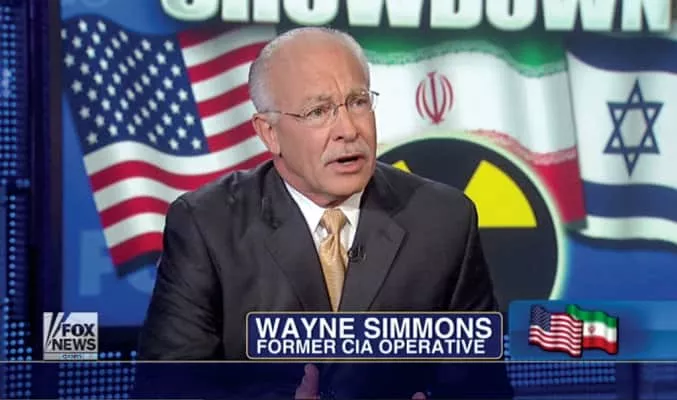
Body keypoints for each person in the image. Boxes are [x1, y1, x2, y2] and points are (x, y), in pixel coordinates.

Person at [137, 27, 513, 399]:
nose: (348, 130)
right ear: (269, 132)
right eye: (318, 111)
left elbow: (482, 388)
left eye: (358, 102)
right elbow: (167, 390)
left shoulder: (443, 220)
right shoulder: (207, 226)